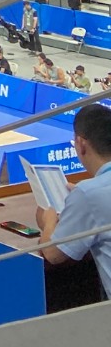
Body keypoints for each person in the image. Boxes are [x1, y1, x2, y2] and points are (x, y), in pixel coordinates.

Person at [37, 102, 111, 297]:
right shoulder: (87, 193)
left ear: (81, 143)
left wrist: (49, 221)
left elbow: (53, 254)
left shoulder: (88, 194)